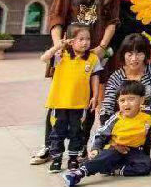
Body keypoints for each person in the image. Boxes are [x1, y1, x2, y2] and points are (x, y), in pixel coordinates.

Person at [32, 0, 119, 166]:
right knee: (59, 99)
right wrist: (58, 46)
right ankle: (50, 147)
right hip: (68, 54)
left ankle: (79, 149)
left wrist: (102, 47)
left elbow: (112, 22)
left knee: (88, 101)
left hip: (92, 54)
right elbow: (57, 17)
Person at [62, 81, 151, 186]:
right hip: (114, 149)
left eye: (131, 99)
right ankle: (79, 173)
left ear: (141, 100)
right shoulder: (115, 119)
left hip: (134, 151)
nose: (126, 103)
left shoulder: (147, 114)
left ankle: (114, 169)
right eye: (122, 100)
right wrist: (96, 149)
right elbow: (101, 135)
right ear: (118, 102)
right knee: (106, 157)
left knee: (148, 165)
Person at [40, 24, 103, 173]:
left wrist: (95, 96)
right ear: (71, 41)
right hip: (59, 103)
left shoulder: (93, 58)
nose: (85, 42)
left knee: (77, 133)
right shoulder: (61, 55)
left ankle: (73, 159)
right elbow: (43, 58)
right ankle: (56, 159)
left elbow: (95, 78)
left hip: (80, 104)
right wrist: (58, 46)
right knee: (57, 133)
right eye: (81, 39)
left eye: (88, 39)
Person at [99, 33, 151, 123]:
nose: (134, 59)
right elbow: (108, 105)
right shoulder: (116, 77)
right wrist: (105, 121)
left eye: (139, 54)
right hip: (126, 123)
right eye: (130, 54)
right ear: (123, 55)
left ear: (145, 54)